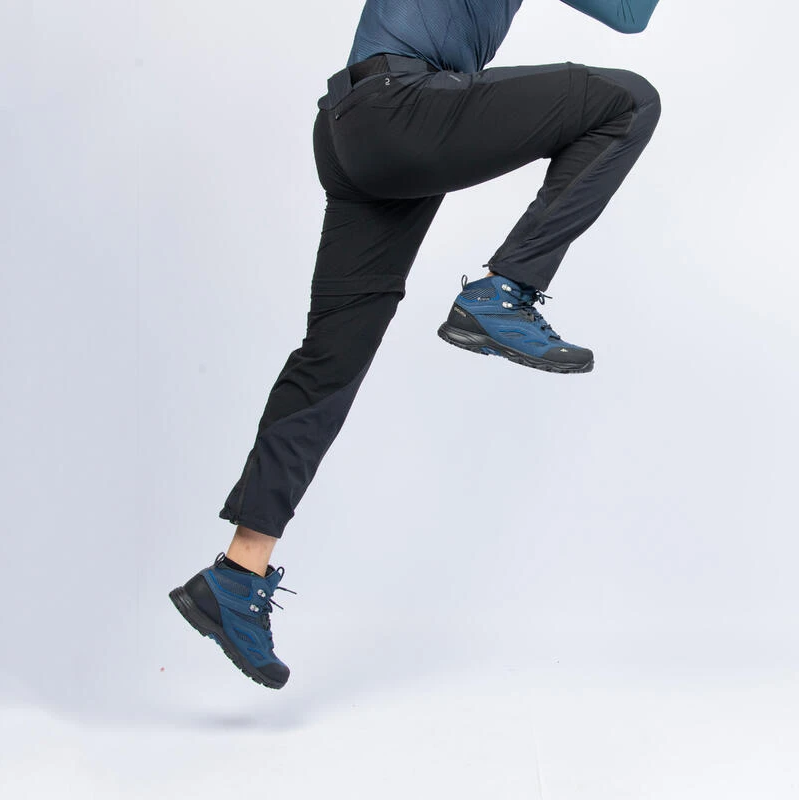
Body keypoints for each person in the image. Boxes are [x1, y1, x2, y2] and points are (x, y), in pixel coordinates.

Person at [170, 0, 662, 689]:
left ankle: (237, 572)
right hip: (400, 105)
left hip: (359, 129)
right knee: (628, 101)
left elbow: (629, 12)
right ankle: (505, 292)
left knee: (331, 361)